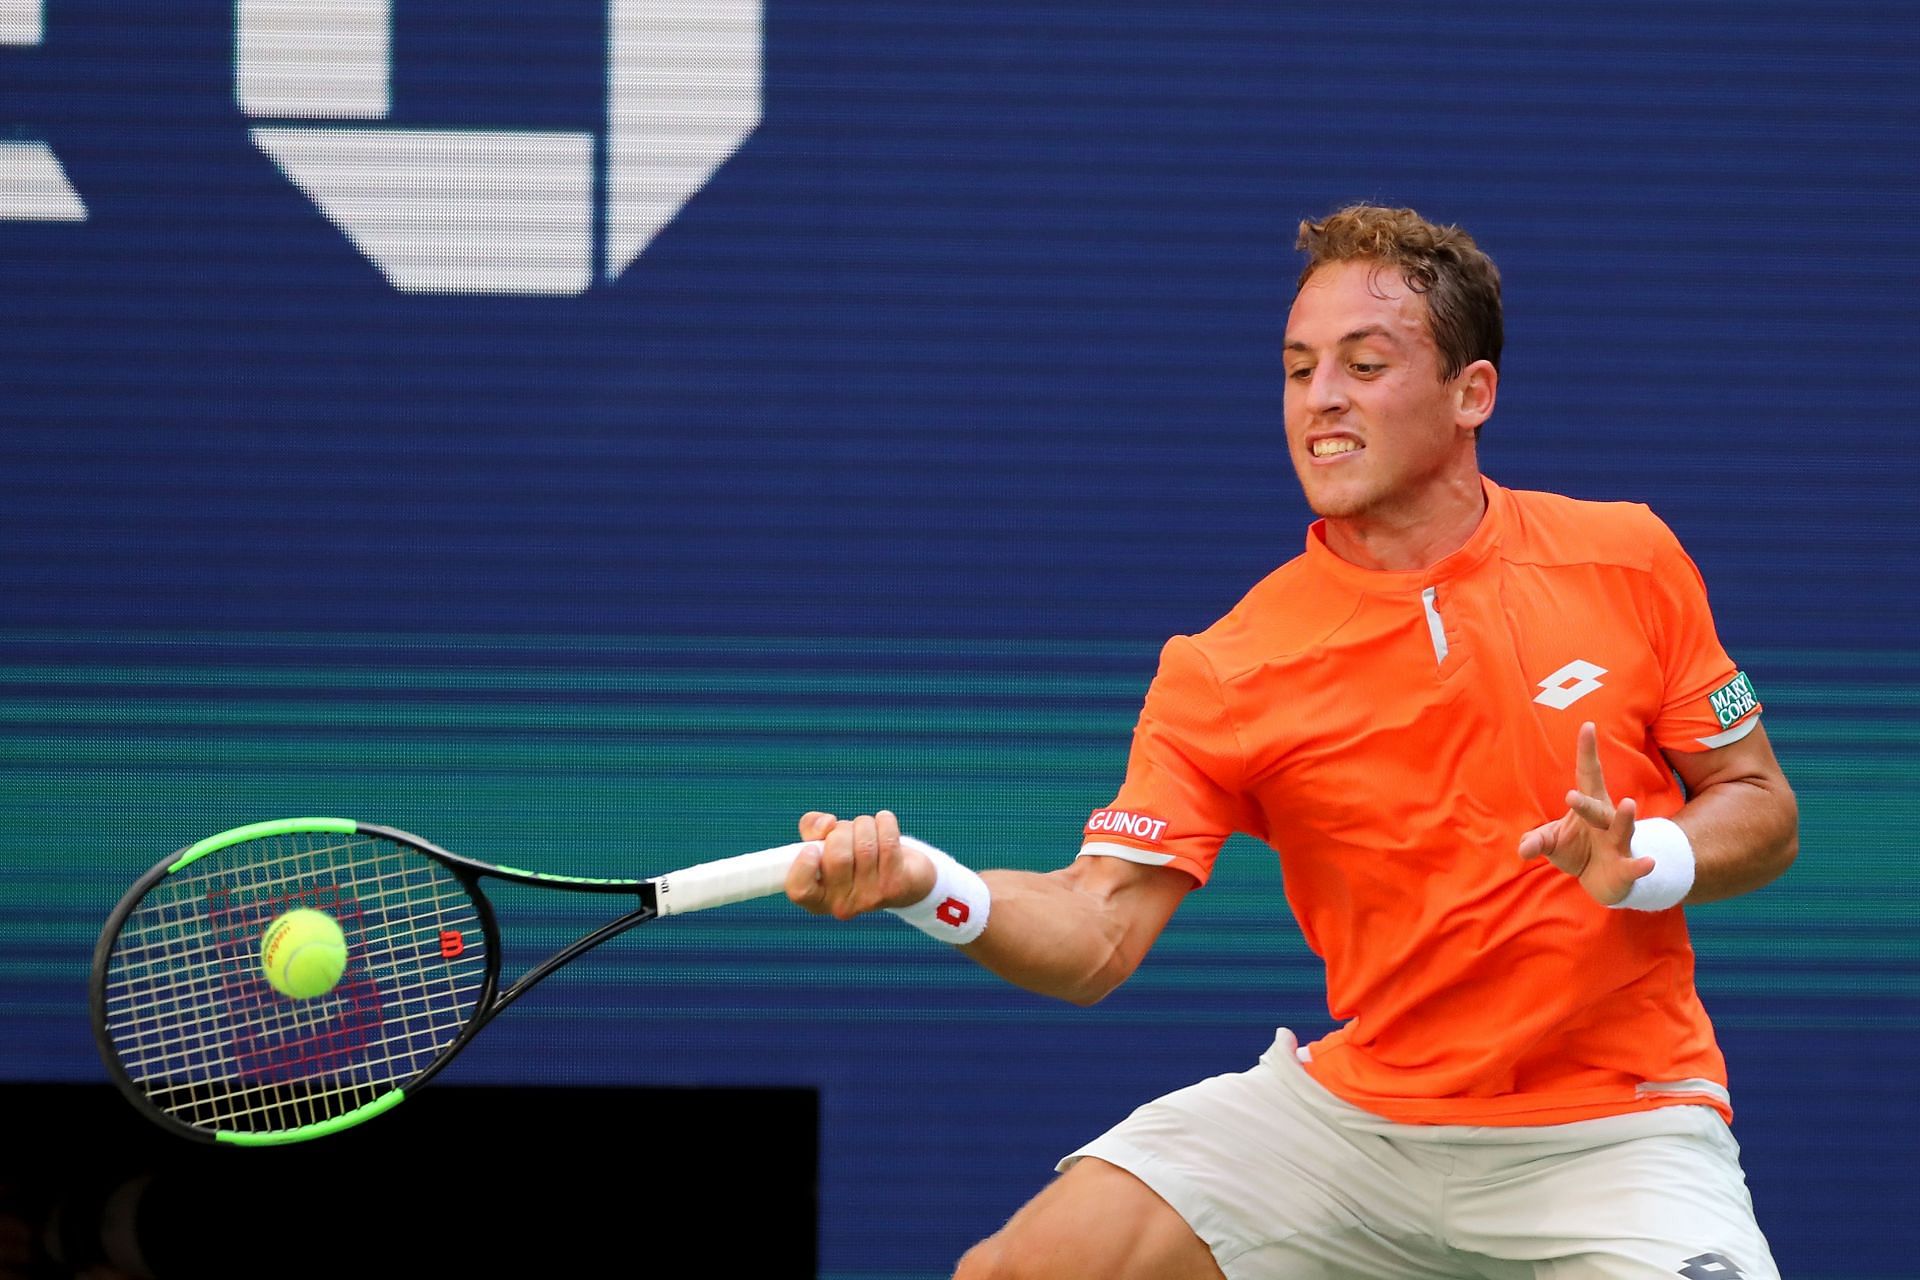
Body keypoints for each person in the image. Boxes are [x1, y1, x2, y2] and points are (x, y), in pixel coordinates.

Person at [784, 204, 1798, 1280]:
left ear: (1473, 394)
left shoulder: (1627, 558)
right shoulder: (1228, 665)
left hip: (1619, 1128)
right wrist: (924, 882)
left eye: (1365, 364)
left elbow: (1758, 800)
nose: (1320, 398)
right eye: (1298, 367)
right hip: (1353, 1129)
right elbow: (1094, 933)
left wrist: (1655, 863)